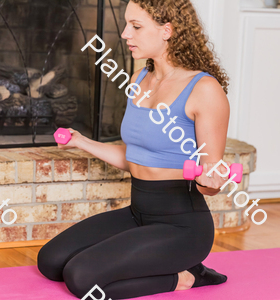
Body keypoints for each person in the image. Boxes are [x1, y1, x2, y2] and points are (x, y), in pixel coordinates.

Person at [37, 0, 231, 299]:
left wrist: (210, 183)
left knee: (81, 278)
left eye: (136, 27)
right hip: (138, 213)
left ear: (167, 30)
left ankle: (187, 276)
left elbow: (211, 178)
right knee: (50, 262)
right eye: (127, 24)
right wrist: (81, 141)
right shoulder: (140, 79)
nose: (126, 34)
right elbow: (134, 157)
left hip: (182, 226)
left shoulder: (204, 90)